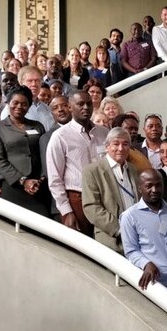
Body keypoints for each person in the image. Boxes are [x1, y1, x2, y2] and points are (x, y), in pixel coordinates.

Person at [46, 91, 108, 234]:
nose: (85, 107)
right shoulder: (60, 137)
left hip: (105, 197)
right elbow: (55, 179)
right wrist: (66, 211)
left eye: (89, 104)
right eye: (80, 104)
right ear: (69, 107)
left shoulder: (104, 133)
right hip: (78, 200)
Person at [0, 85, 49, 215]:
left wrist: (41, 178)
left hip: (37, 185)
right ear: (8, 103)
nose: (19, 107)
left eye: (24, 104)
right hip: (13, 185)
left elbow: (44, 154)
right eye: (15, 103)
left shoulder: (37, 126)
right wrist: (23, 181)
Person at [82, 127, 139, 251]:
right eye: (116, 143)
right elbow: (92, 207)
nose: (120, 148)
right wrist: (120, 229)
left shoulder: (134, 170)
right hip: (111, 238)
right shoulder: (92, 171)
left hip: (138, 236)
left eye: (125, 144)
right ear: (107, 146)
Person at [120, 168, 167, 289]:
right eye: (149, 186)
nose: (154, 190)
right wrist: (146, 264)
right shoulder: (129, 217)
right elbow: (131, 251)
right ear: (140, 188)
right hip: (156, 283)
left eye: (158, 185)